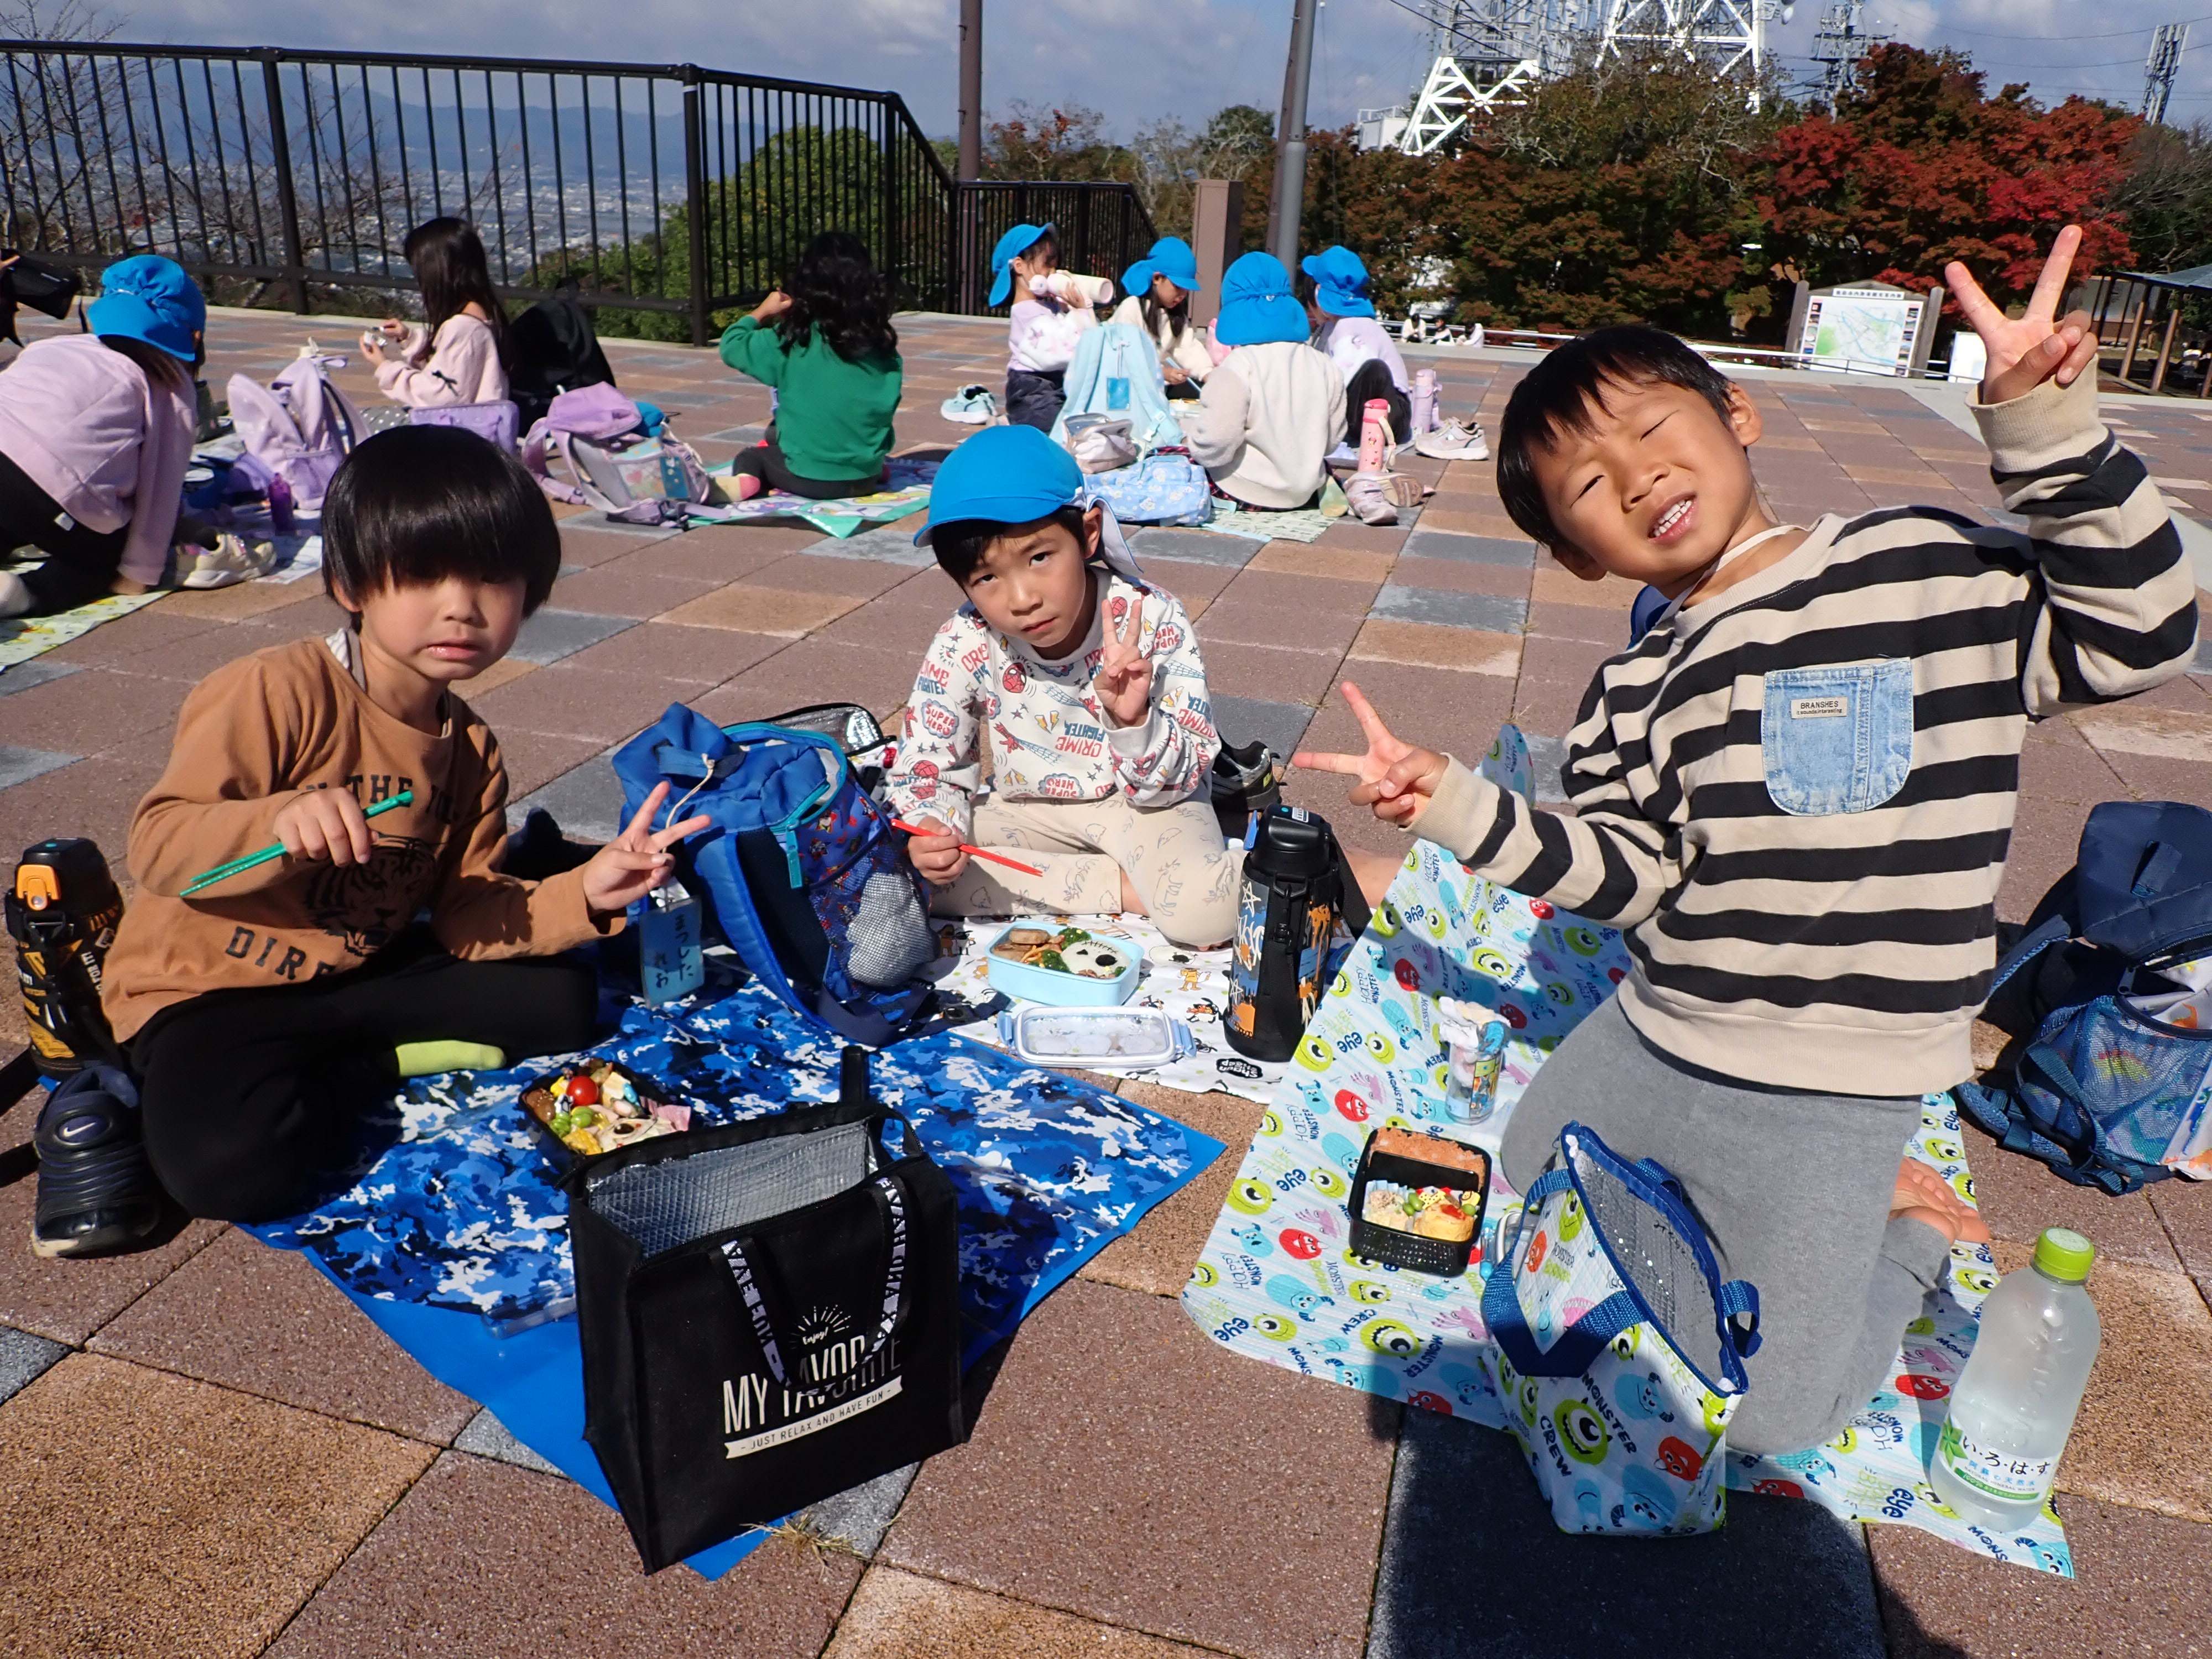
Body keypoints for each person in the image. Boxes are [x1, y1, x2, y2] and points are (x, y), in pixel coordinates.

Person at [1297, 226, 2199, 1457]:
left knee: (1768, 1421)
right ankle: (1779, 1216)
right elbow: (1627, 879)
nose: (1634, 479)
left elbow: (2142, 632)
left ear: (1736, 413)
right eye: (1586, 487)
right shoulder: (1629, 687)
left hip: (1833, 1087)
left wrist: (2043, 427)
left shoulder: (1918, 568)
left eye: (1651, 430)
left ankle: (1912, 1234)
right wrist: (1448, 803)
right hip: (1661, 1025)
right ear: (1577, 556)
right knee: (1522, 1162)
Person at [30, 425, 709, 1254]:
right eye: (424, 574)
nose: (461, 605)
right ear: (351, 583)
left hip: (356, 971)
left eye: (493, 576)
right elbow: (160, 847)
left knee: (566, 1001)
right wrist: (275, 822)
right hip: (213, 988)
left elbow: (468, 915)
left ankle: (342, 1058)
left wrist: (586, 891)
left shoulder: (470, 748)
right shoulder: (275, 690)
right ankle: (340, 1065)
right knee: (227, 1168)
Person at [885, 425, 1238, 947]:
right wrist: (931, 827)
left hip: (1146, 807)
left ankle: (1224, 874)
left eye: (1039, 558)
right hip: (1029, 811)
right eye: (986, 578)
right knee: (898, 867)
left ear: (1089, 534)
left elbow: (1182, 777)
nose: (1022, 598)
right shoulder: (965, 637)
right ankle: (1128, 888)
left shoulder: (1151, 616)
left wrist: (1135, 723)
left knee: (1204, 917)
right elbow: (929, 760)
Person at [0, 254, 204, 617]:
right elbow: (160, 488)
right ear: (195, 336)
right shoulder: (170, 382)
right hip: (46, 489)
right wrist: (138, 572)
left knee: (11, 516)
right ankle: (22, 593)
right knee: (104, 553)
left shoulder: (54, 346)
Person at [718, 230, 902, 500]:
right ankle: (865, 465)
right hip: (867, 477)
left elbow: (732, 344)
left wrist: (763, 312)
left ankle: (746, 481)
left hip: (811, 479)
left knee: (753, 456)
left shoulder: (791, 341)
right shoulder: (881, 345)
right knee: (782, 431)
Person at [1185, 252, 1344, 510]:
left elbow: (1216, 444)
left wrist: (1191, 443)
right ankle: (1326, 483)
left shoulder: (1238, 365)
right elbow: (1332, 440)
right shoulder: (1325, 365)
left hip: (1246, 488)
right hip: (1303, 491)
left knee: (1173, 458)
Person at [364, 217, 511, 408]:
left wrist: (385, 368)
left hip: (461, 426)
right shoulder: (484, 313)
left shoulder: (464, 328)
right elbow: (453, 368)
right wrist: (410, 338)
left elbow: (439, 395)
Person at [992, 222, 1111, 431]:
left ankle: (1015, 422)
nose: (1053, 272)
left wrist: (1073, 310)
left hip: (1054, 384)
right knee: (1055, 430)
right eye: (1047, 265)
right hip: (1031, 389)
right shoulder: (1026, 313)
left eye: (1055, 266)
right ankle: (1014, 423)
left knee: (1075, 421)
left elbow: (1084, 340)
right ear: (1019, 267)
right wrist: (1079, 314)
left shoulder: (1048, 306)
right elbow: (1059, 352)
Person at [1301, 246, 1410, 448]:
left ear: (1318, 295)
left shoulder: (1351, 326)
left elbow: (1341, 381)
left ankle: (1344, 436)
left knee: (1373, 370)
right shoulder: (1332, 327)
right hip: (1371, 412)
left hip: (1392, 416)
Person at [1112, 237, 1212, 399]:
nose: (1182, 295)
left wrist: (1207, 373)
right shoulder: (1132, 309)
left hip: (1155, 392)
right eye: (1178, 287)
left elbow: (1188, 347)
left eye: (1186, 290)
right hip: (1125, 394)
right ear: (1157, 278)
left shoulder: (1175, 316)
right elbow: (1125, 358)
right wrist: (1162, 373)